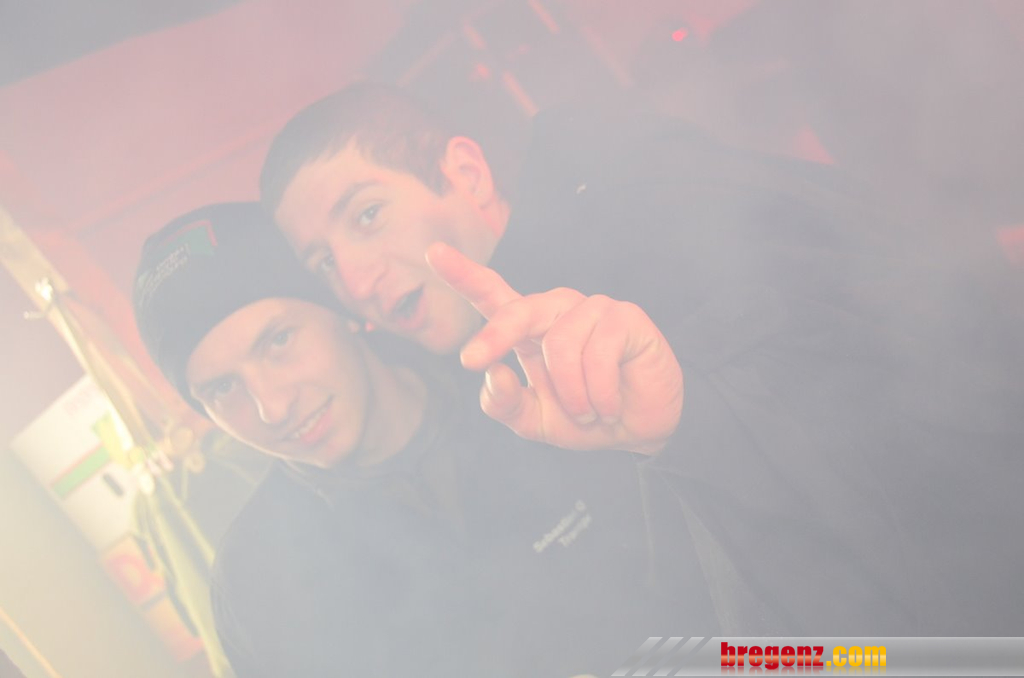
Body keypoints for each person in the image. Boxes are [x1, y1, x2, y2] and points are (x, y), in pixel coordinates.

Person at [257, 83, 1024, 634]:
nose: (357, 279)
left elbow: (945, 405)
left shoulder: (658, 214)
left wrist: (696, 417)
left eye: (367, 215)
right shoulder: (485, 387)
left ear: (467, 173)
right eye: (323, 263)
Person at [131, 202, 719, 677]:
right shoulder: (259, 582)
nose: (272, 406)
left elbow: (761, 622)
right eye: (222, 389)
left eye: (278, 340)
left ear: (339, 310)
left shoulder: (536, 395)